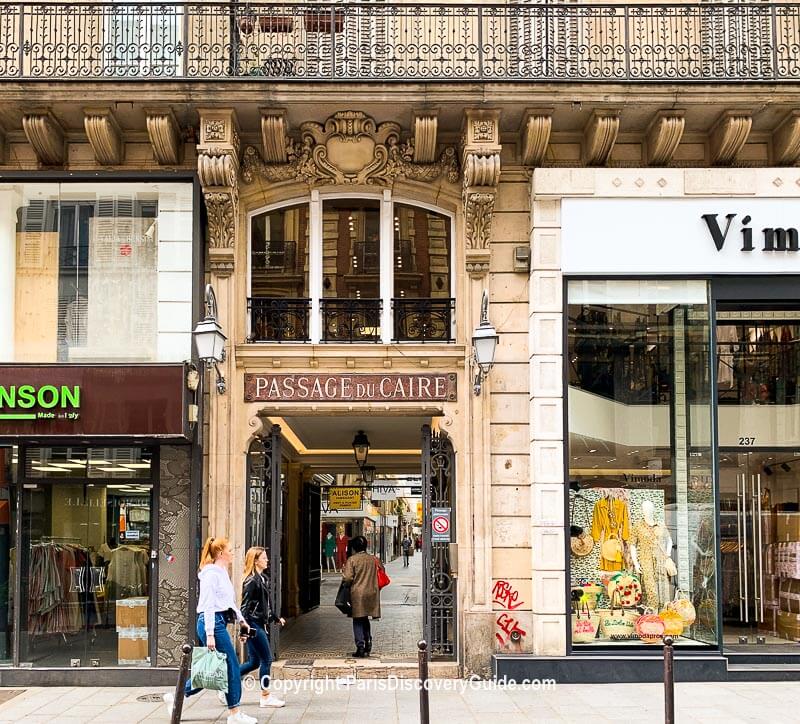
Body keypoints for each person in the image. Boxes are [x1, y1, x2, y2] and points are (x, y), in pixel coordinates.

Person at [164, 537, 256, 724]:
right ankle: (234, 713)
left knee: (215, 668)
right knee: (230, 665)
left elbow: (227, 602)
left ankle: (177, 696)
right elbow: (207, 605)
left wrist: (242, 620)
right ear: (220, 553)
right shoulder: (210, 574)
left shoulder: (221, 572)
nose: (233, 552)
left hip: (219, 620)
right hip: (211, 621)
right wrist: (210, 634)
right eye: (230, 550)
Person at [238, 547, 286, 708]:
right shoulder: (251, 581)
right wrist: (244, 631)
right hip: (253, 625)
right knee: (267, 659)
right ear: (255, 560)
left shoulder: (262, 578)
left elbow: (264, 606)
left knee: (254, 662)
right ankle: (265, 696)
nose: (267, 560)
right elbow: (244, 608)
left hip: (258, 623)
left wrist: (275, 618)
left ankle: (227, 681)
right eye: (264, 558)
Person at [341, 535, 382, 658]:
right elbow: (382, 571)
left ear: (354, 547)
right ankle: (368, 642)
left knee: (358, 619)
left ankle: (360, 647)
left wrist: (345, 579)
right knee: (365, 619)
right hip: (372, 592)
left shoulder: (352, 560)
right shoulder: (373, 559)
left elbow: (348, 578)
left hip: (358, 593)